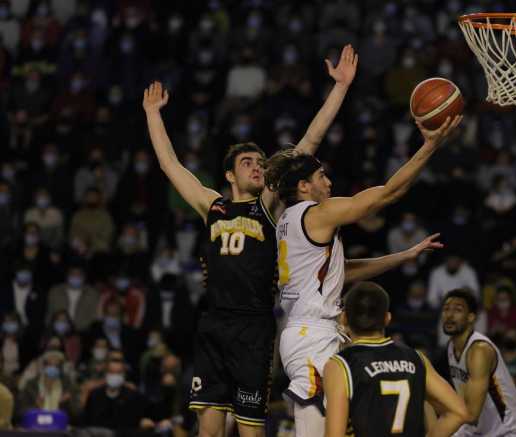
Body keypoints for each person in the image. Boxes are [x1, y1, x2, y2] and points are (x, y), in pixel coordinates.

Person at [143, 43, 358, 437]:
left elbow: (308, 142)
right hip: (213, 323)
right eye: (248, 163)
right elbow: (170, 164)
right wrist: (153, 114)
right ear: (229, 175)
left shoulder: (269, 205)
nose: (257, 168)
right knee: (207, 429)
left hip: (255, 327)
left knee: (250, 431)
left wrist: (340, 89)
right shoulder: (212, 205)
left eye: (260, 163)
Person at [265, 113, 461, 436]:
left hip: (309, 333)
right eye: (321, 176)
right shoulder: (316, 213)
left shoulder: (289, 219)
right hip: (311, 337)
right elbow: (386, 194)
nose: (328, 183)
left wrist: (404, 255)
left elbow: (342, 272)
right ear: (303, 186)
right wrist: (429, 146)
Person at [324, 281, 468, 437]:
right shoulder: (416, 358)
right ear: (387, 318)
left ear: (344, 318)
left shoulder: (340, 364)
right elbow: (459, 412)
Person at [441, 288, 516, 436]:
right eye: (446, 309)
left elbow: (472, 414)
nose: (449, 315)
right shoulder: (451, 347)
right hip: (477, 428)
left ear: (471, 317)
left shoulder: (479, 350)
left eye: (458, 310)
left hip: (506, 430)